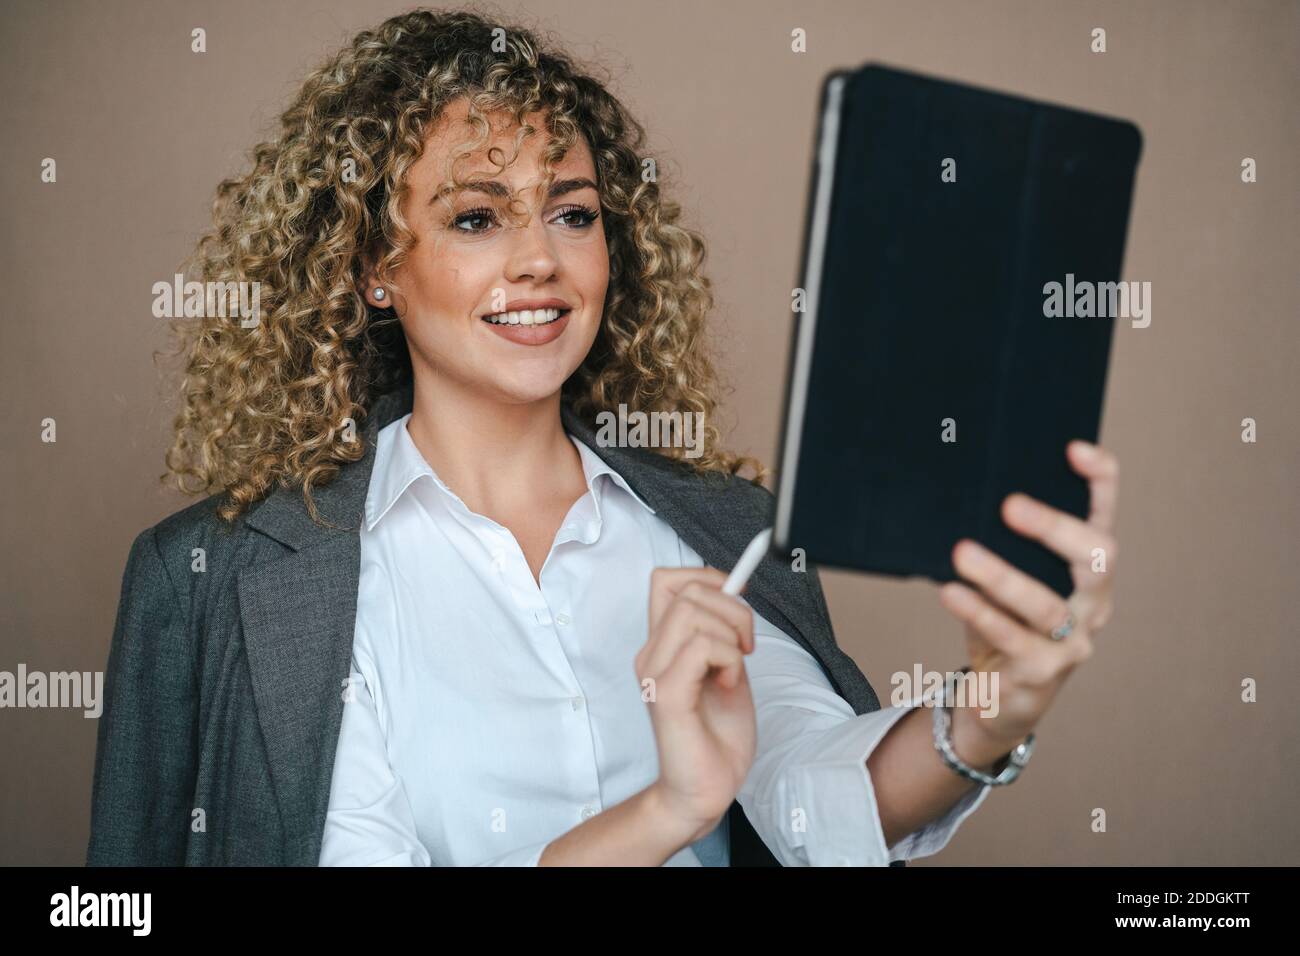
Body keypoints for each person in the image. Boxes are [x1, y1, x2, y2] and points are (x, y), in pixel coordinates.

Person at [87, 8, 1120, 867]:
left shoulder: (722, 527)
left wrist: (991, 707)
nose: (540, 259)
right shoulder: (220, 576)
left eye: (572, 213)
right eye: (477, 218)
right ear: (371, 265)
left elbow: (817, 793)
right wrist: (667, 809)